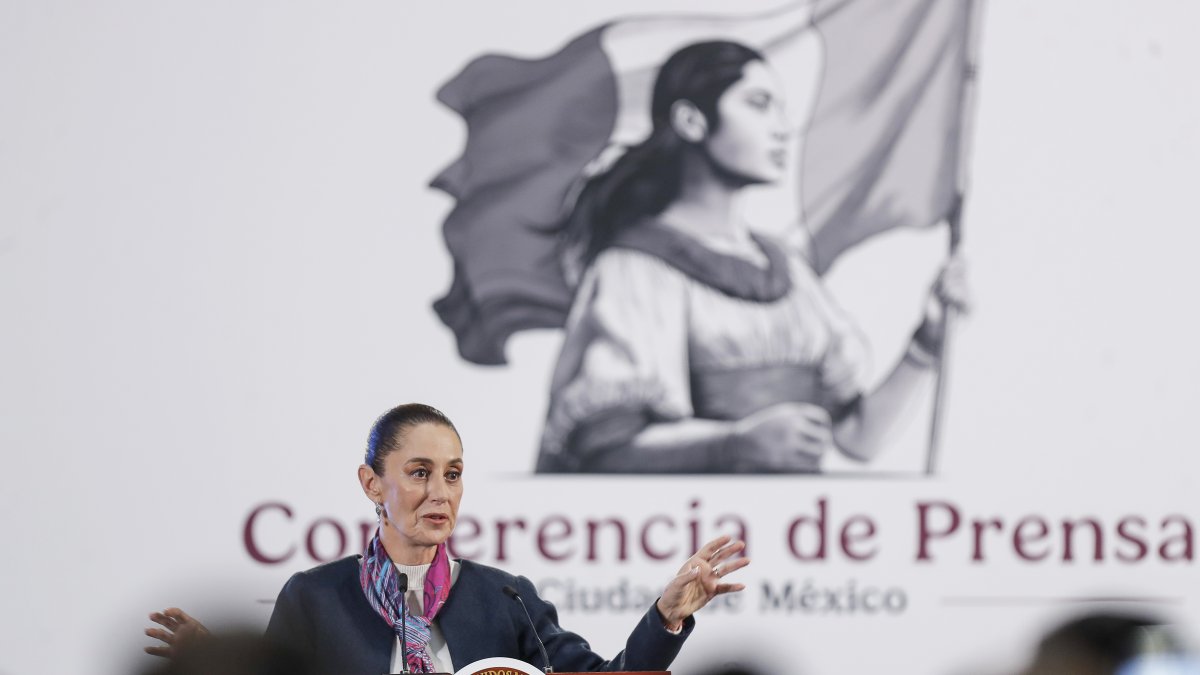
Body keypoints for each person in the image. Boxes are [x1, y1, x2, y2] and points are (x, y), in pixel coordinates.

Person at [536, 40, 969, 473]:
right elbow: (607, 451)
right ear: (691, 121)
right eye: (759, 104)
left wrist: (926, 343)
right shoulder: (635, 268)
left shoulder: (788, 271)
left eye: (780, 108)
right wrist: (733, 444)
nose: (782, 128)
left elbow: (857, 439)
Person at [146, 403, 749, 674]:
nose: (441, 493)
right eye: (419, 473)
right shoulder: (314, 598)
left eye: (453, 475)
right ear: (371, 483)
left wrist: (665, 617)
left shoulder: (505, 599)